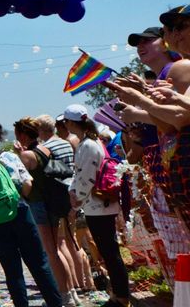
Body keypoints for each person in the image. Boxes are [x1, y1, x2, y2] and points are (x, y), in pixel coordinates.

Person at [0, 120, 63, 307]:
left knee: (12, 271)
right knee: (39, 264)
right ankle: (55, 303)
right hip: (19, 213)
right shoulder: (8, 157)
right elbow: (27, 184)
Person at [61, 105, 129, 307]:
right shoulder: (89, 142)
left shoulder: (89, 145)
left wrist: (76, 199)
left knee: (109, 250)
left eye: (66, 122)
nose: (65, 125)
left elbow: (86, 176)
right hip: (96, 204)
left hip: (98, 204)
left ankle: (122, 295)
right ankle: (118, 293)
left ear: (72, 123)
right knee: (107, 249)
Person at [12, 118, 79, 307]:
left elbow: (24, 183)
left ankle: (63, 295)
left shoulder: (27, 156)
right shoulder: (45, 149)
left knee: (51, 252)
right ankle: (70, 292)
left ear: (23, 135)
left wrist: (19, 155)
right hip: (53, 203)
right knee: (57, 249)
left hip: (39, 205)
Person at [35, 115, 94, 297]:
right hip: (73, 192)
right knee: (74, 242)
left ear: (41, 130)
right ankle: (85, 282)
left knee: (63, 243)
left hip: (58, 197)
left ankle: (74, 284)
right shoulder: (66, 143)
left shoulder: (45, 148)